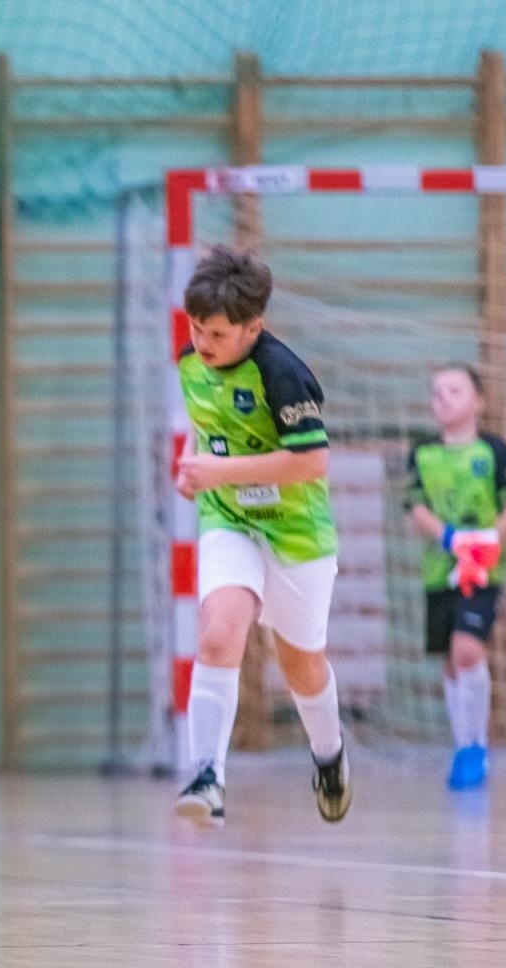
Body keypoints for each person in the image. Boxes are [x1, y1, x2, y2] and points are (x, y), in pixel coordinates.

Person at [172, 246, 350, 826]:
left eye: (218, 333)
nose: (204, 342)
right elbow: (208, 425)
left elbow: (311, 463)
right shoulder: (190, 362)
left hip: (296, 535)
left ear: (255, 326)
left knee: (302, 667)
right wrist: (191, 463)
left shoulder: (281, 371)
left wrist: (218, 472)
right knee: (220, 632)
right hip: (229, 521)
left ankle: (329, 756)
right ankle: (206, 777)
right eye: (197, 328)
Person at [404, 364, 506, 789]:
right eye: (437, 392)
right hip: (440, 571)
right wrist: (449, 538)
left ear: (479, 401)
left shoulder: (495, 451)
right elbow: (416, 507)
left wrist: (490, 540)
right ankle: (463, 743)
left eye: (454, 390)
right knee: (452, 663)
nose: (444, 399)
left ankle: (476, 745)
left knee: (468, 651)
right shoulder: (422, 451)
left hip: (484, 572)